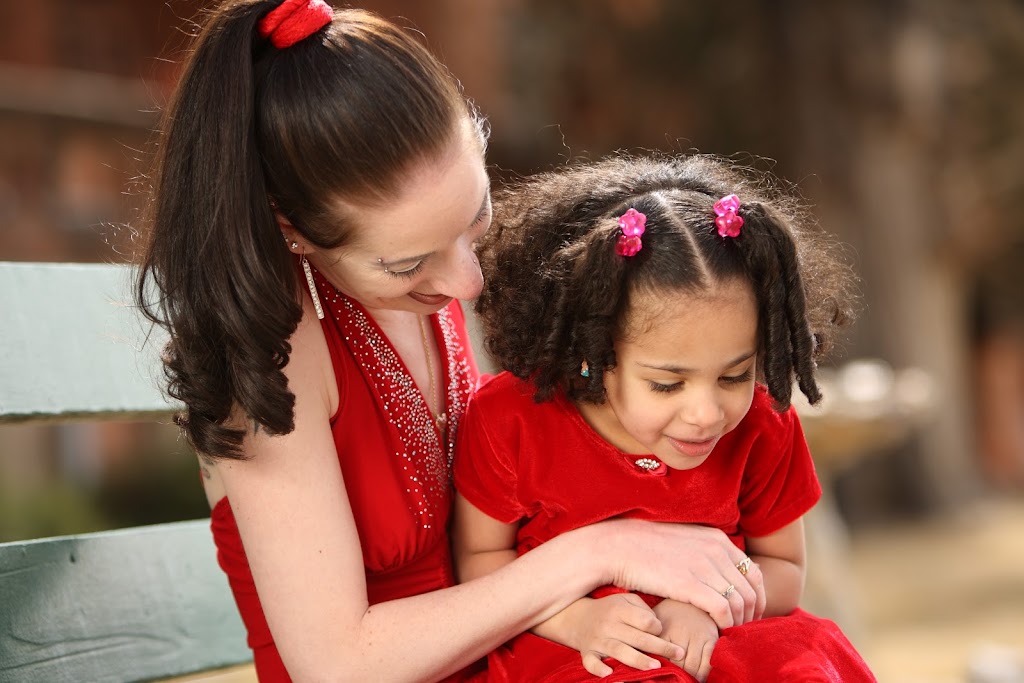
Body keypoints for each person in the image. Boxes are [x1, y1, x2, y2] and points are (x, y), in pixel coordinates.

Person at [134, 2, 766, 681]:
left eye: (476, 216)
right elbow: (339, 664)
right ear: (292, 230)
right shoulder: (269, 355)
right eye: (409, 263)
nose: (468, 281)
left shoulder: (421, 291)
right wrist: (604, 550)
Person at [453, 154, 876, 682]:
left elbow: (785, 567)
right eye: (666, 384)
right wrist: (573, 620)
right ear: (594, 352)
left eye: (734, 375)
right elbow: (480, 563)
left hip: (723, 638)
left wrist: (706, 607)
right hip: (573, 650)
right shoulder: (510, 421)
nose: (706, 413)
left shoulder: (763, 423)